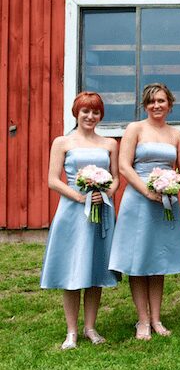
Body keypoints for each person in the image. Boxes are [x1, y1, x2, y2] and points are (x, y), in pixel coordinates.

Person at [40, 92, 120, 349]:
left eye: (95, 112)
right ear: (76, 112)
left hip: (100, 210)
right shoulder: (62, 142)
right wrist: (78, 197)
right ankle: (72, 331)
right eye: (85, 111)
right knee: (74, 267)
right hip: (72, 213)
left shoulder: (109, 144)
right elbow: (53, 179)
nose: (90, 116)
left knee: (95, 268)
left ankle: (90, 327)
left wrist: (107, 191)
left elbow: (116, 177)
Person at [109, 83, 180, 340]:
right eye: (152, 102)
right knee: (138, 259)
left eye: (162, 101)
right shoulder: (135, 129)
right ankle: (142, 320)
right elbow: (124, 165)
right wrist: (147, 191)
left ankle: (156, 318)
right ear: (145, 105)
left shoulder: (176, 134)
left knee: (157, 260)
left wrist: (175, 184)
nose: (157, 106)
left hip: (165, 201)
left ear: (170, 104)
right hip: (139, 199)